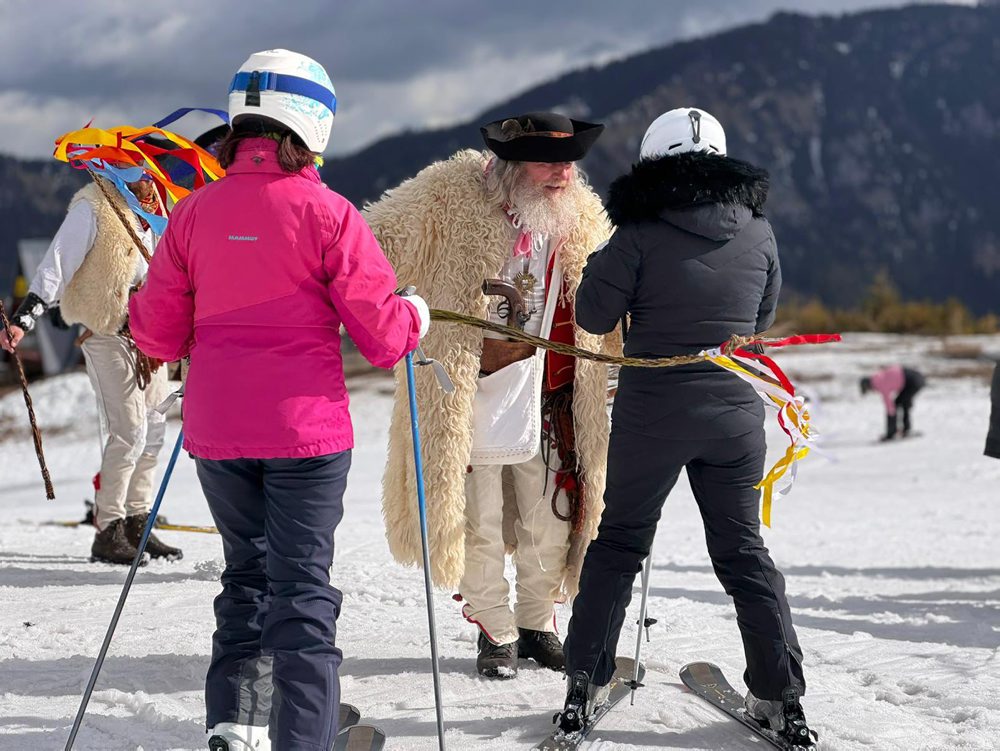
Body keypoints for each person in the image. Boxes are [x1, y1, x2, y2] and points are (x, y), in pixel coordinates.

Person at [128, 49, 428, 751]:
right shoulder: (330, 214)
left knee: (247, 577)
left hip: (217, 432)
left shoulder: (194, 213)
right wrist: (415, 311)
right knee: (303, 595)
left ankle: (236, 722)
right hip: (307, 435)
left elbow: (157, 332)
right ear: (314, 122)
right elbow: (384, 339)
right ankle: (304, 736)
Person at [559, 107, 815, 746]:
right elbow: (758, 320)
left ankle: (582, 687)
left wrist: (595, 264)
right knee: (743, 551)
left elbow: (592, 316)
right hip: (734, 418)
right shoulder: (759, 231)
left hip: (653, 416)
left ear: (652, 161)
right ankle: (783, 697)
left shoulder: (639, 232)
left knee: (618, 545)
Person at [366, 112, 618, 679]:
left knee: (549, 518)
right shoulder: (446, 194)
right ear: (509, 164)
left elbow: (617, 285)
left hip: (552, 394)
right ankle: (495, 630)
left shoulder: (579, 213)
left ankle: (537, 623)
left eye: (568, 161)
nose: (561, 173)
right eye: (546, 161)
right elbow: (367, 248)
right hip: (464, 391)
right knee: (474, 518)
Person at [0, 147, 181, 566]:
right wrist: (25, 319)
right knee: (130, 430)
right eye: (132, 167)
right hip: (107, 332)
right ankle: (109, 527)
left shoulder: (157, 208)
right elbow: (57, 263)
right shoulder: (93, 207)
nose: (144, 175)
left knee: (154, 430)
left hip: (151, 337)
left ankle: (138, 521)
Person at [860, 365, 925, 440]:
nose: (871, 392)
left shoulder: (879, 383)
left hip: (913, 381)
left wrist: (889, 434)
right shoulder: (879, 377)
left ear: (868, 386)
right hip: (915, 378)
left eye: (868, 390)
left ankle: (898, 431)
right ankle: (905, 429)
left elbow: (890, 408)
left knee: (899, 404)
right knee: (902, 403)